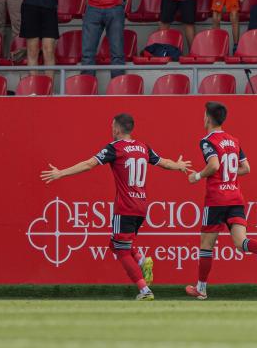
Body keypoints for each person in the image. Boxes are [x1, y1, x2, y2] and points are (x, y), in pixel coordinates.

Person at [40, 114, 191, 300]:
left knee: (121, 249)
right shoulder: (143, 147)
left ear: (118, 129)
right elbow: (164, 163)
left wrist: (61, 173)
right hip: (142, 206)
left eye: (112, 126)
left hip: (125, 207)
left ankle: (145, 290)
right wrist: (178, 165)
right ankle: (143, 261)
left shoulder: (115, 148)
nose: (111, 130)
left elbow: (89, 164)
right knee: (116, 243)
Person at [185, 102, 257, 300]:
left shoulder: (207, 141)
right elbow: (246, 168)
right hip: (235, 198)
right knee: (241, 243)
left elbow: (213, 165)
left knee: (206, 245)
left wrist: (196, 176)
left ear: (207, 117)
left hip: (216, 199)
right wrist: (228, 174)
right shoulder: (233, 140)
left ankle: (201, 288)